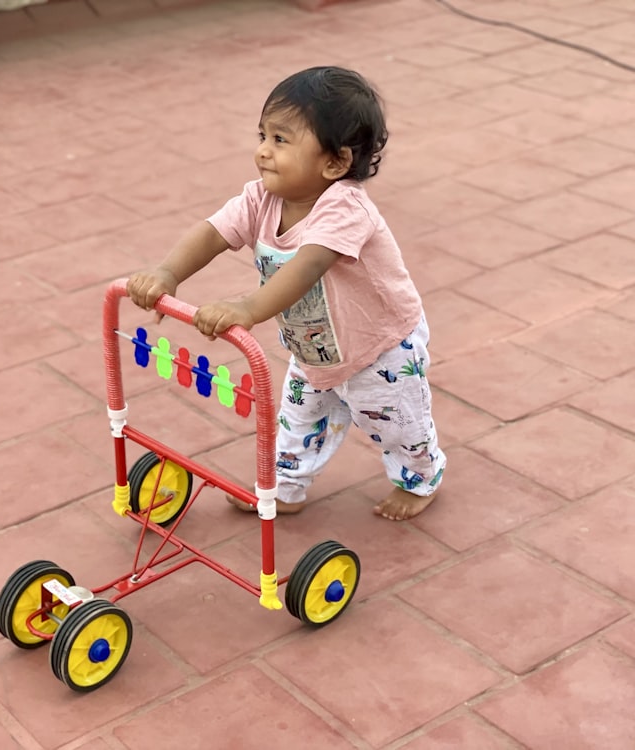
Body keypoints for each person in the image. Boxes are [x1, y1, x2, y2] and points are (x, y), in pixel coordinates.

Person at [126, 66, 445, 521]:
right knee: (299, 419)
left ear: (334, 163)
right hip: (315, 348)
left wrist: (248, 308)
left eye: (281, 140)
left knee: (394, 423)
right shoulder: (260, 199)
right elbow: (214, 233)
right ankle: (287, 485)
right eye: (262, 135)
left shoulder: (346, 208)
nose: (262, 152)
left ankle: (420, 477)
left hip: (381, 347)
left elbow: (308, 265)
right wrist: (167, 272)